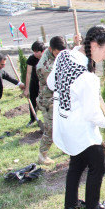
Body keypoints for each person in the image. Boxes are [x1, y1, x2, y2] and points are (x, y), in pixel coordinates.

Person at [47, 25, 105, 209]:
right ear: (94, 45)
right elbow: (92, 115)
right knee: (98, 166)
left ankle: (70, 206)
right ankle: (92, 208)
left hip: (64, 125)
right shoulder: (87, 77)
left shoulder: (63, 56)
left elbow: (51, 83)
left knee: (76, 164)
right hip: (80, 129)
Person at [36, 36, 67, 165]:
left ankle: (67, 147)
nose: (60, 55)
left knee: (65, 123)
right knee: (51, 128)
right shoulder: (44, 65)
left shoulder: (57, 54)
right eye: (57, 53)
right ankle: (42, 155)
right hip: (49, 100)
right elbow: (54, 84)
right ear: (50, 49)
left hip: (58, 97)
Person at [0, 53, 25, 140]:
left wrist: (19, 84)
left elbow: (8, 77)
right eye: (2, 64)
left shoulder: (0, 71)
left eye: (4, 64)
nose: (3, 66)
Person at [23, 41, 46, 127]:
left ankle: (47, 119)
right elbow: (28, 73)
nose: (35, 53)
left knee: (46, 102)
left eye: (36, 51)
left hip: (45, 84)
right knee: (32, 101)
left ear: (42, 51)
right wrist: (27, 89)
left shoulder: (47, 58)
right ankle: (32, 118)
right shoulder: (32, 59)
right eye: (33, 51)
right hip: (35, 83)